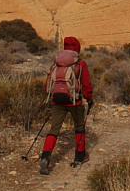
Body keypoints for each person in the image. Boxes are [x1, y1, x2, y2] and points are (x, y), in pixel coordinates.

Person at [40, 36, 93, 174]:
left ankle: (45, 156)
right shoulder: (80, 63)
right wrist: (89, 98)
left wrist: (52, 96)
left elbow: (48, 83)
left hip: (57, 100)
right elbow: (86, 84)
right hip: (75, 101)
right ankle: (79, 156)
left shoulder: (56, 62)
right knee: (79, 127)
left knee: (54, 129)